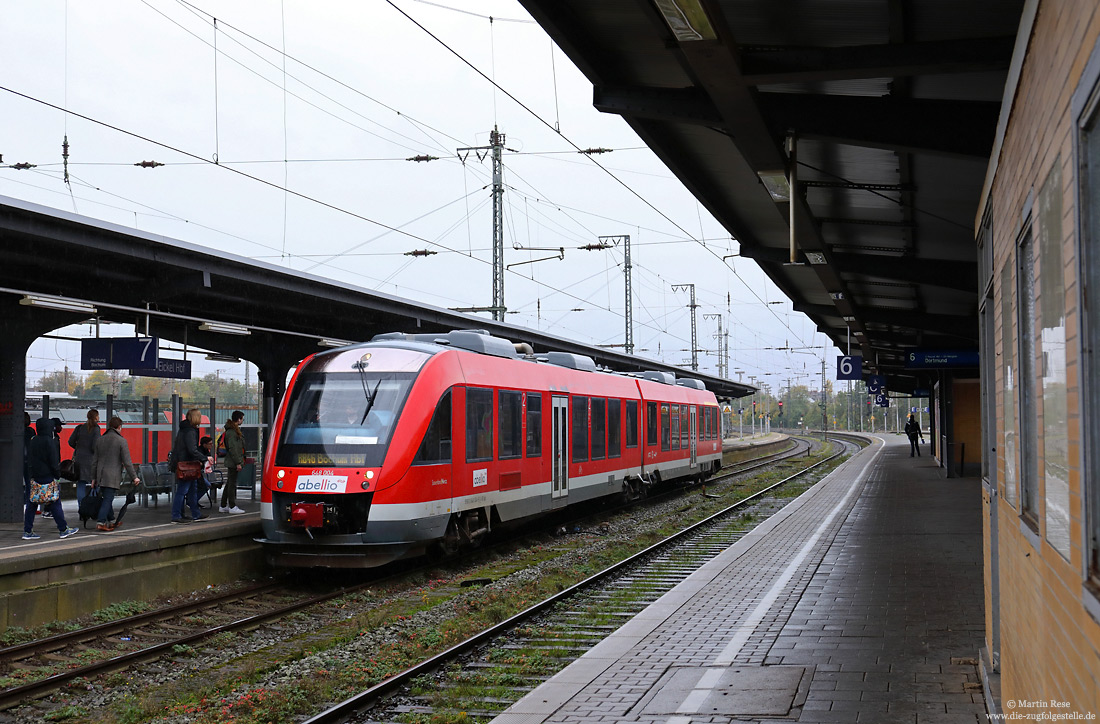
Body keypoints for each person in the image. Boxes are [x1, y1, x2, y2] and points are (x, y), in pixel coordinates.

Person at [24, 417, 78, 540]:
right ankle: (63, 529)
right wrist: (57, 475)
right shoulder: (50, 441)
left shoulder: (33, 440)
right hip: (48, 476)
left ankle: (27, 531)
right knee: (55, 502)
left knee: (32, 503)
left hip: (35, 476)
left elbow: (30, 459)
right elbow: (53, 462)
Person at [90, 416, 141, 531]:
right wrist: (135, 477)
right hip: (112, 476)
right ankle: (101, 522)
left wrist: (93, 478)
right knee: (108, 499)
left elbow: (95, 461)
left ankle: (112, 520)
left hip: (100, 475)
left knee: (106, 497)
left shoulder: (100, 440)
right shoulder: (121, 441)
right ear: (119, 427)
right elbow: (127, 462)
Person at [169, 408, 212, 524]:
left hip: (187, 464)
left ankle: (195, 514)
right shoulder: (190, 431)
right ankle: (176, 515)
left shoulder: (185, 429)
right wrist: (205, 458)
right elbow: (192, 449)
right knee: (183, 491)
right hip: (186, 465)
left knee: (192, 489)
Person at [68, 408, 101, 505]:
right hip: (91, 461)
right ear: (96, 417)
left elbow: (70, 442)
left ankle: (81, 507)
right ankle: (90, 507)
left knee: (81, 484)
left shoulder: (80, 427)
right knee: (93, 484)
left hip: (79, 460)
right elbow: (95, 446)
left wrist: (79, 449)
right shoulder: (96, 428)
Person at [220, 411, 247, 514]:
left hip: (232, 461)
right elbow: (233, 448)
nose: (242, 421)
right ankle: (232, 506)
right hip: (233, 462)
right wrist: (238, 462)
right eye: (242, 419)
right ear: (239, 419)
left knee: (229, 483)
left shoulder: (231, 431)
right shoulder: (232, 432)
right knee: (232, 484)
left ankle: (223, 505)